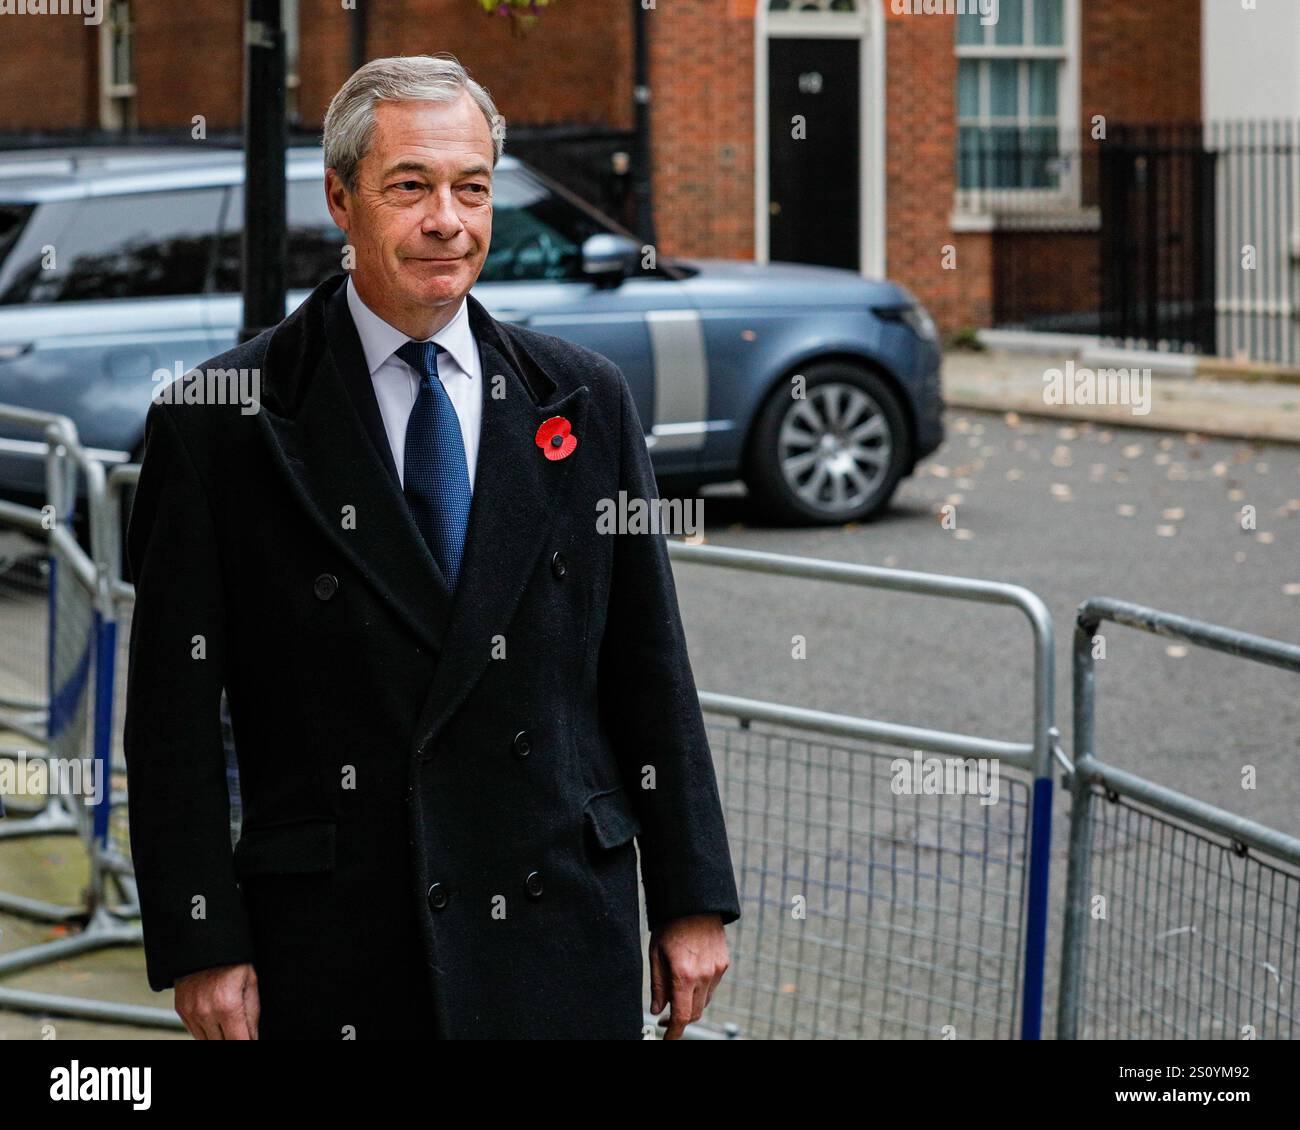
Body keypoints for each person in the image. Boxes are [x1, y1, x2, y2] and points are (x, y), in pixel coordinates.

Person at [122, 53, 740, 1040]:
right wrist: (202, 935)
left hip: (558, 927)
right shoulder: (219, 421)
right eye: (409, 186)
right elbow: (173, 721)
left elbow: (647, 667)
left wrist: (690, 893)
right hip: (337, 942)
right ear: (341, 198)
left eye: (472, 188)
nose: (446, 218)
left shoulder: (584, 397)